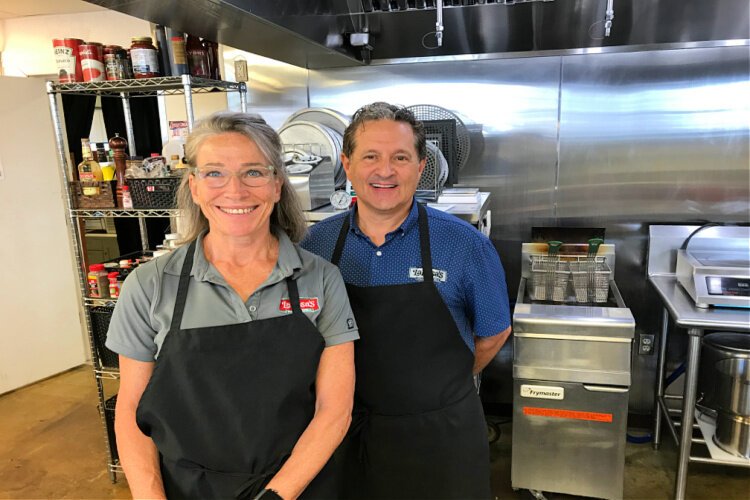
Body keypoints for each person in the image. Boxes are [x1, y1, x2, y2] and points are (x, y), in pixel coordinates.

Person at [106, 112, 358, 500]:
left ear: (277, 185)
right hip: (187, 489)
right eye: (215, 173)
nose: (235, 191)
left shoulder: (320, 279)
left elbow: (334, 410)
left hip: (298, 487)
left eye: (254, 172)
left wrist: (276, 496)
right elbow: (132, 412)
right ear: (194, 186)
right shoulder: (149, 284)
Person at [301, 102, 512, 499]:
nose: (385, 171)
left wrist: (439, 388)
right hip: (347, 433)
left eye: (400, 157)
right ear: (347, 165)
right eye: (371, 157)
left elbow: (495, 332)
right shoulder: (317, 244)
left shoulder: (464, 245)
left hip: (442, 438)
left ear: (420, 166)